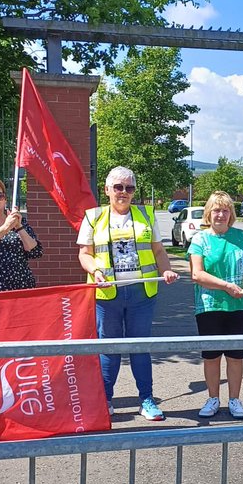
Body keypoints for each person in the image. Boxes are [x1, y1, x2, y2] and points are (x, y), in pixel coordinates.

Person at [78, 166, 179, 421]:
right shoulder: (93, 216)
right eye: (118, 187)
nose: (123, 192)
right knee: (109, 348)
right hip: (107, 294)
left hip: (142, 293)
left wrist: (166, 271)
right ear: (107, 190)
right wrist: (95, 271)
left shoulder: (146, 214)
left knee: (140, 347)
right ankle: (105, 400)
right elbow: (84, 254)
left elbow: (158, 251)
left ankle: (146, 399)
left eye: (129, 188)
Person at [188, 191, 243, 419]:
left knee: (236, 355)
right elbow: (197, 274)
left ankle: (235, 400)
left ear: (231, 213)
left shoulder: (241, 236)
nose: (221, 214)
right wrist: (227, 285)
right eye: (216, 210)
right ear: (209, 213)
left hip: (239, 305)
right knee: (212, 356)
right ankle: (213, 398)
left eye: (225, 210)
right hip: (209, 306)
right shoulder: (200, 239)